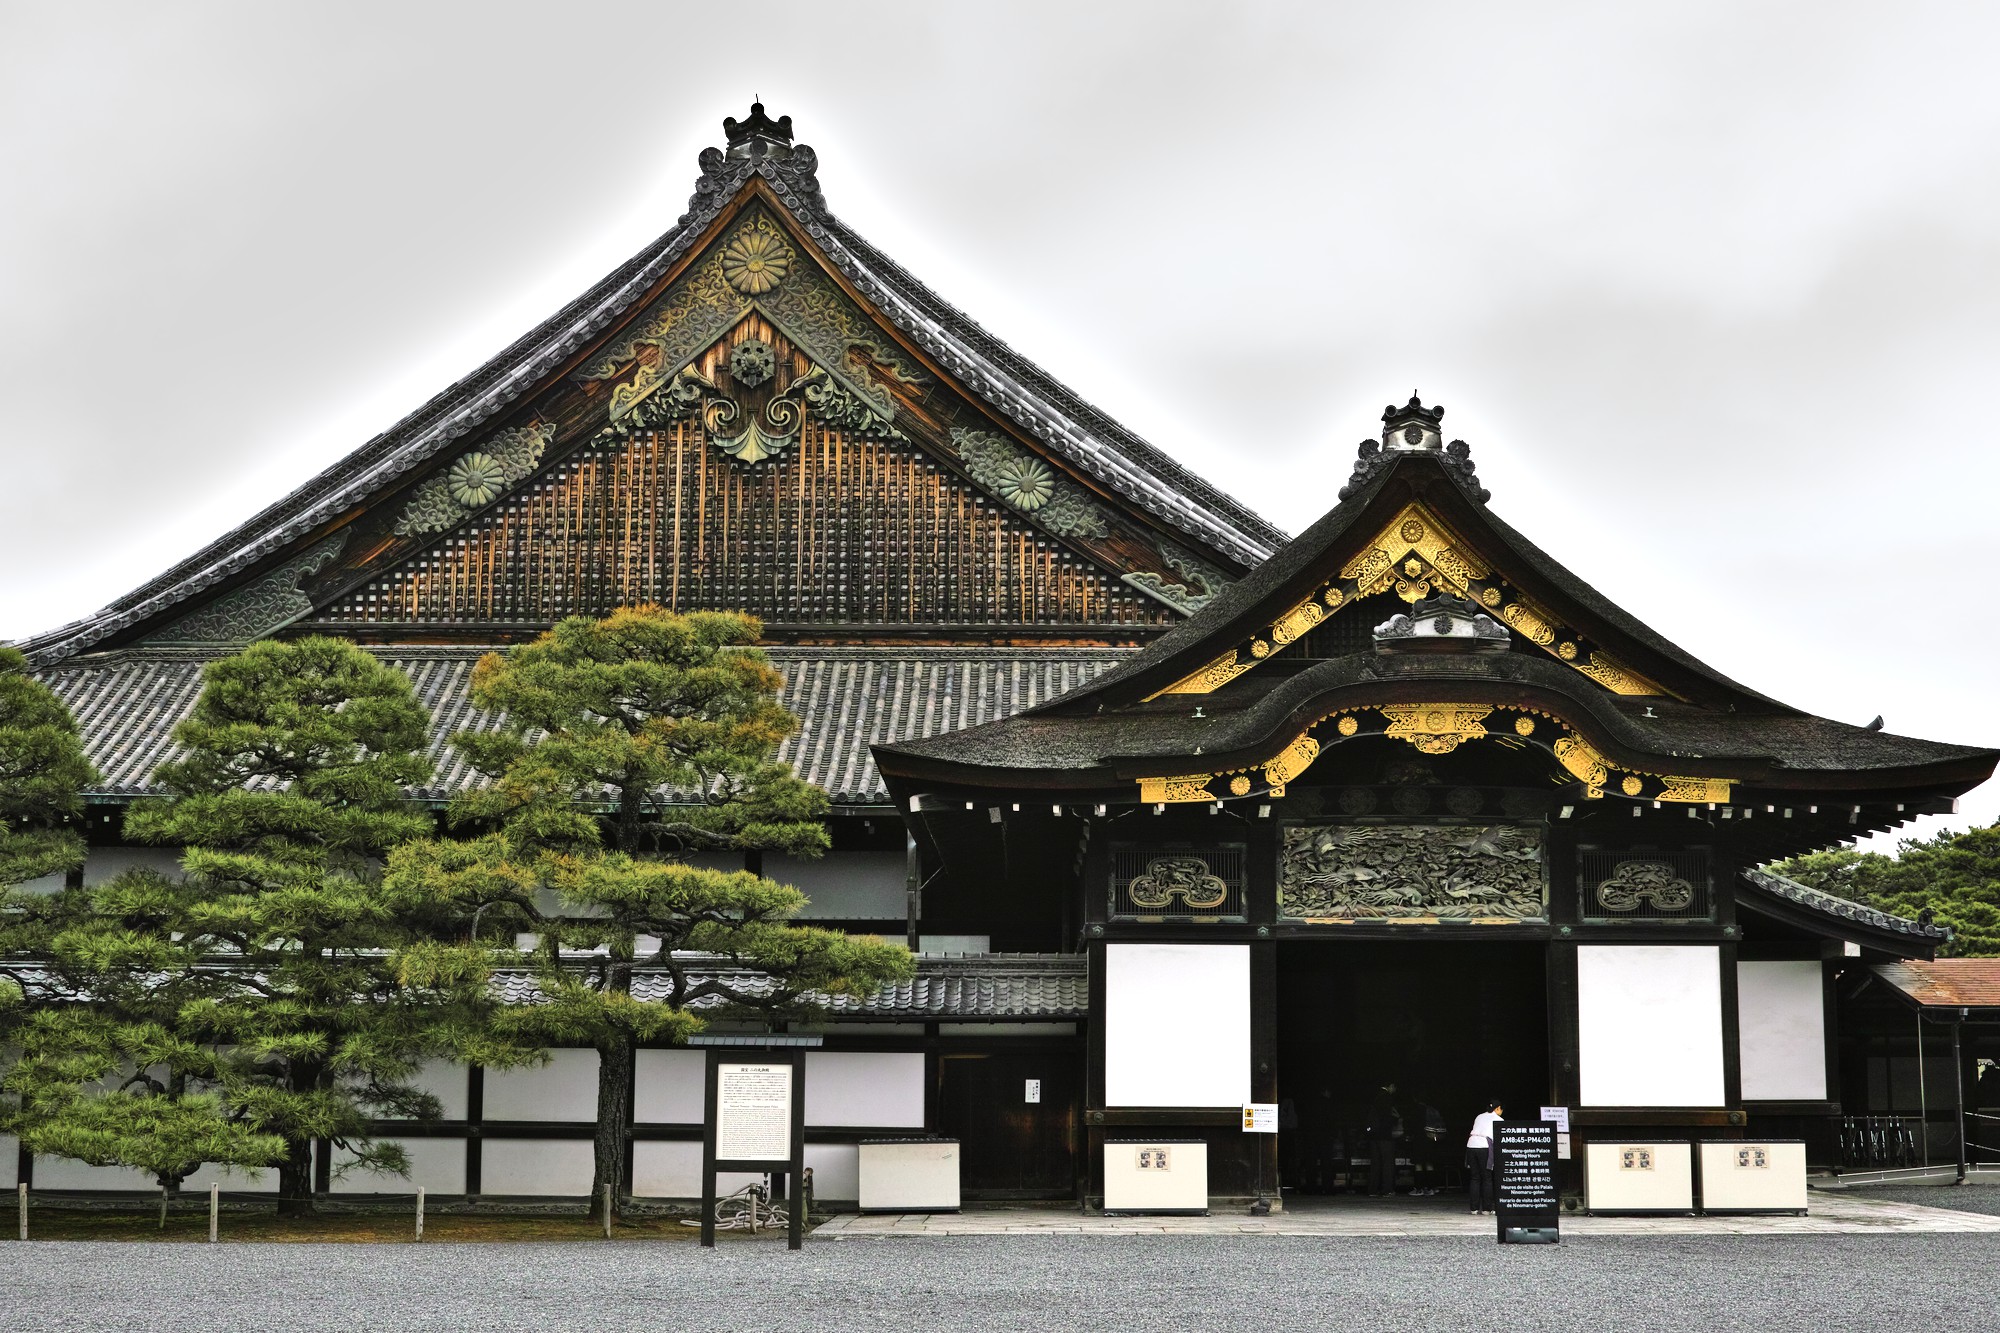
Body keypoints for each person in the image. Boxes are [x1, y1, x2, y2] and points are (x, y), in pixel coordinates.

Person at [1367, 1081, 1403, 1197]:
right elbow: (1387, 1118)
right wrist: (1396, 1119)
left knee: (1376, 1163)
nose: (1395, 1090)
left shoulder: (1375, 1096)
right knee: (1387, 1163)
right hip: (1385, 1135)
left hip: (1373, 1135)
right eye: (1395, 1087)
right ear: (1391, 1085)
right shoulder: (1387, 1097)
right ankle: (1387, 1189)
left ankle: (1373, 1190)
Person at [1466, 1100, 1502, 1214]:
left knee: (1475, 1177)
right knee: (1487, 1178)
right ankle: (1487, 1209)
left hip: (1471, 1145)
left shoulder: (1479, 1116)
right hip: (1484, 1146)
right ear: (1497, 1108)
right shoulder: (1499, 1120)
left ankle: (1474, 1208)